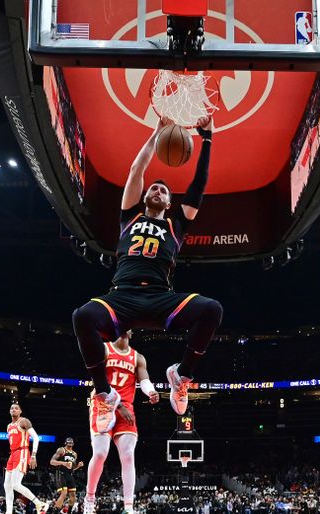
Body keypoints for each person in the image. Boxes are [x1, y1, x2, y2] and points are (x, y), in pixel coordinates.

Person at [72, 116, 223, 433]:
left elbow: (199, 185)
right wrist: (157, 133)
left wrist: (207, 139)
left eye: (163, 190)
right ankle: (103, 393)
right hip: (122, 295)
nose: (157, 190)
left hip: (160, 297)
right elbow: (135, 171)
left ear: (170, 202)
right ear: (144, 197)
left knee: (212, 309)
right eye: (153, 188)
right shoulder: (129, 216)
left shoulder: (177, 225)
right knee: (82, 315)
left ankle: (181, 375)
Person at [83, 330, 160, 514]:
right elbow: (98, 379)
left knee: (128, 456)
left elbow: (144, 381)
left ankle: (128, 510)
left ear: (132, 331)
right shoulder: (104, 349)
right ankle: (89, 500)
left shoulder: (137, 357)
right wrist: (119, 406)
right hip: (104, 403)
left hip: (127, 408)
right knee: (100, 453)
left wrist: (151, 392)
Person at [0, 403, 48, 514]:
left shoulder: (24, 421)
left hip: (22, 452)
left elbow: (36, 438)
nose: (13, 409)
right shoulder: (8, 426)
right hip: (12, 454)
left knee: (16, 484)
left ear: (20, 411)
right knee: (7, 485)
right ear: (9, 411)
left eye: (16, 408)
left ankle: (40, 504)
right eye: (11, 408)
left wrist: (33, 455)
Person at [50, 437, 83, 514]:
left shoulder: (74, 454)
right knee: (64, 493)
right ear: (65, 443)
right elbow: (52, 462)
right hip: (60, 473)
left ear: (73, 443)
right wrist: (63, 463)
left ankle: (69, 512)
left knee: (73, 496)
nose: (70, 443)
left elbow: (71, 467)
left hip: (69, 474)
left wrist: (78, 466)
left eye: (71, 442)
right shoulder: (61, 450)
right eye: (68, 441)